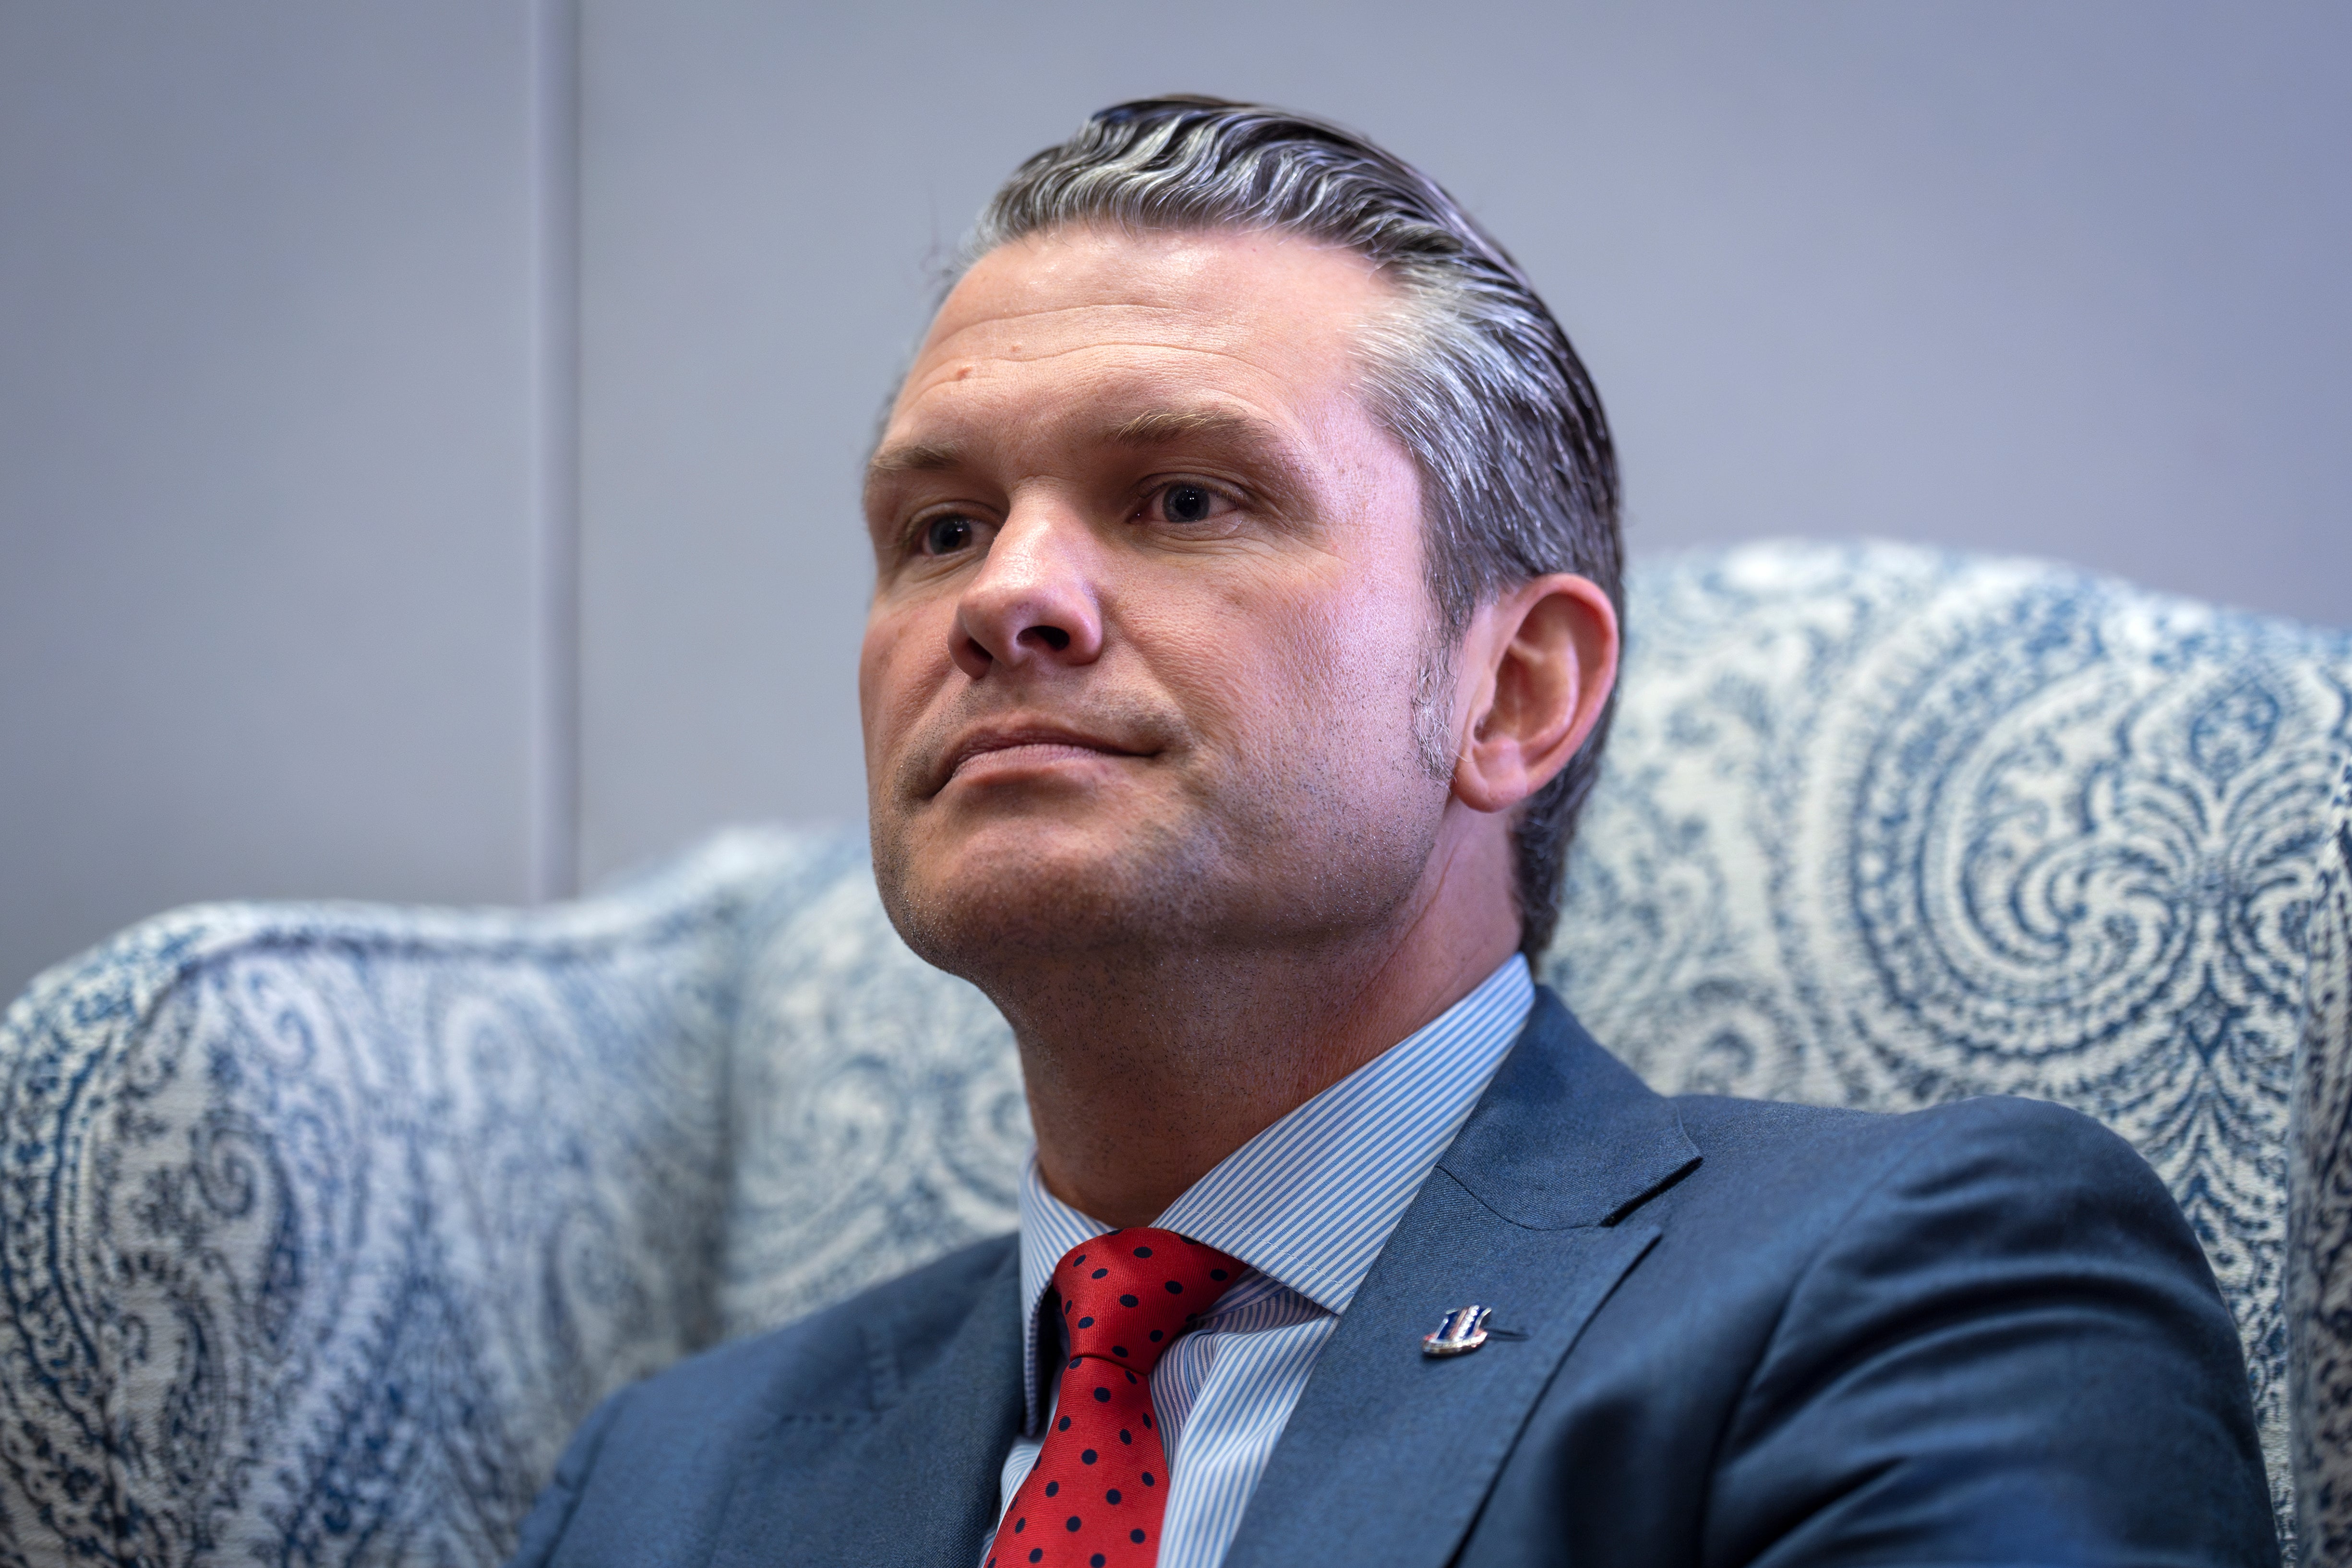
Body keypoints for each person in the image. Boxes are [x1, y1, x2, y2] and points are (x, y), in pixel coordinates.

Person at [508, 97, 2275, 1568]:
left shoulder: (1921, 1281)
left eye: (1185, 497)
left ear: (1511, 690)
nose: (1010, 598)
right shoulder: (668, 1482)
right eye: (943, 526)